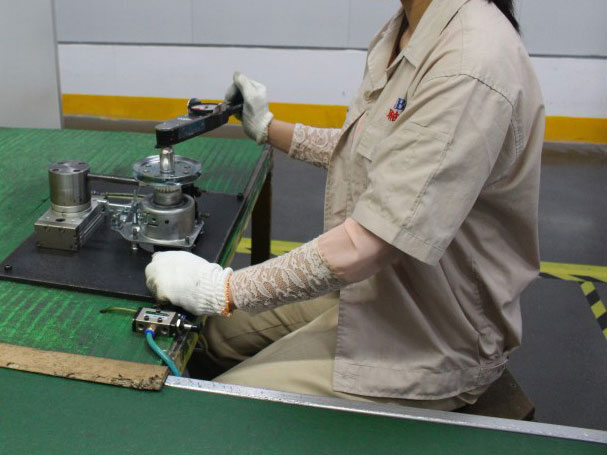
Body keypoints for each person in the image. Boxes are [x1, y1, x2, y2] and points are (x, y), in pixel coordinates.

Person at [145, 0, 545, 411]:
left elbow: (367, 244)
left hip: (430, 337)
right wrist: (268, 128)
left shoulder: (469, 63)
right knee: (209, 336)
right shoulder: (406, 29)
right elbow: (375, 152)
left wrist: (223, 289)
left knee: (218, 410)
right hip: (376, 291)